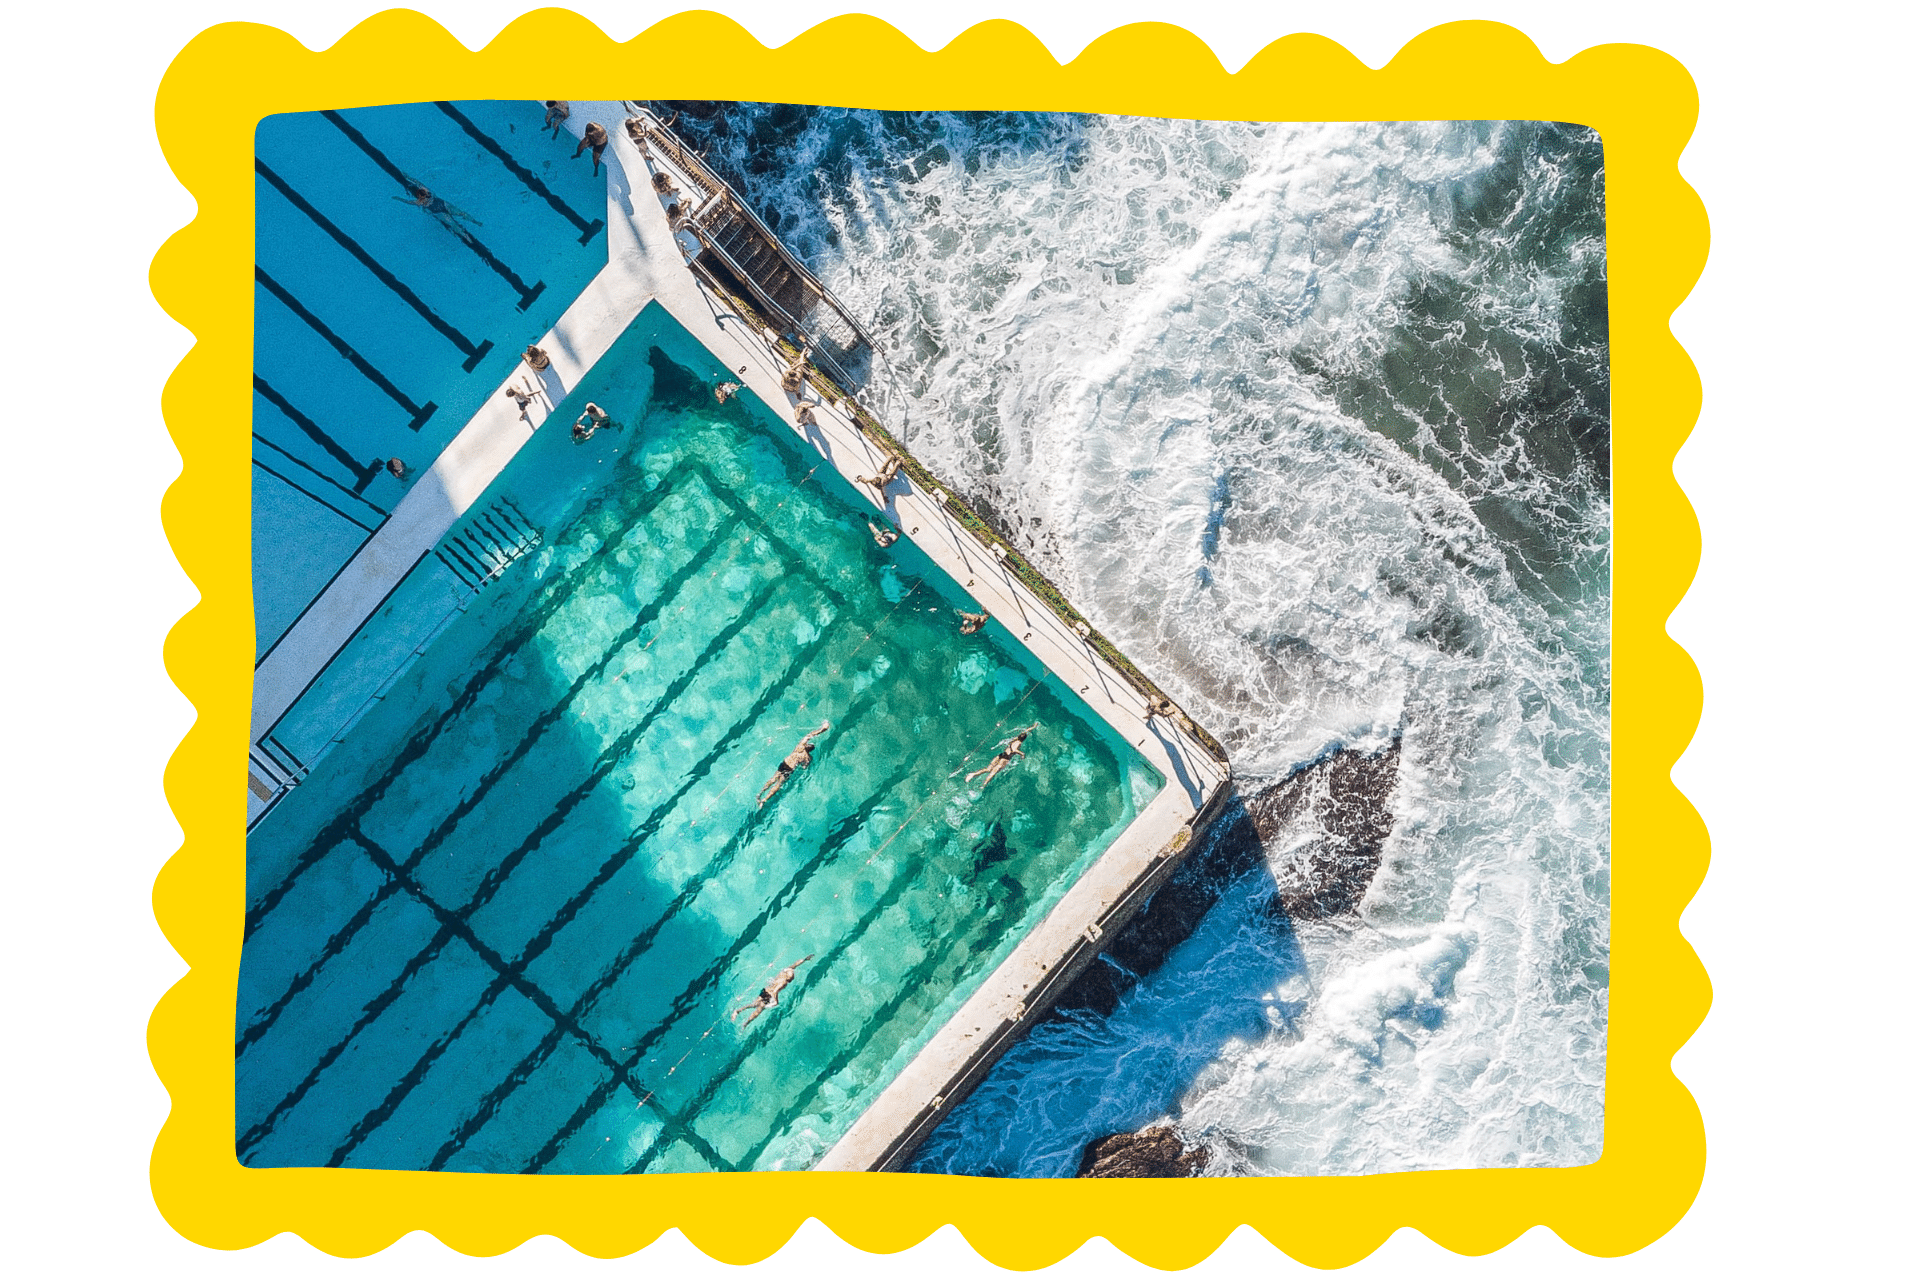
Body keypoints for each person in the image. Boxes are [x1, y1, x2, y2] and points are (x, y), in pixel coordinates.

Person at [757, 721, 830, 808]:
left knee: (773, 779)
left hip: (785, 762)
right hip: (789, 769)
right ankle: (764, 800)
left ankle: (760, 794)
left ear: (807, 745)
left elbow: (810, 735)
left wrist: (823, 729)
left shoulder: (801, 746)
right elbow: (804, 767)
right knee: (778, 785)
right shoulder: (808, 758)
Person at [731, 955, 815, 1026]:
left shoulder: (785, 971)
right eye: (792, 978)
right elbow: (775, 992)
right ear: (789, 979)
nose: (792, 979)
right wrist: (776, 1002)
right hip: (769, 995)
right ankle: (745, 1024)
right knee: (757, 1011)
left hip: (765, 990)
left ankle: (737, 1011)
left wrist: (804, 959)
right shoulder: (783, 982)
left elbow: (795, 964)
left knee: (754, 1004)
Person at [394, 183, 482, 245]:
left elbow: (408, 202)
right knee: (461, 213)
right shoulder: (427, 191)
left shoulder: (419, 202)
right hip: (442, 204)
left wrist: (398, 198)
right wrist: (408, 177)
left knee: (454, 225)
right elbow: (417, 182)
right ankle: (475, 222)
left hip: (438, 212)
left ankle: (467, 238)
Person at [966, 725, 1036, 788]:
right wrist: (1022, 753)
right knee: (992, 773)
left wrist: (1033, 726)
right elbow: (1014, 749)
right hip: (1005, 759)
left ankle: (973, 774)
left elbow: (1026, 731)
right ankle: (983, 786)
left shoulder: (1016, 738)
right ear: (1024, 739)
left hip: (1001, 755)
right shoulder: (1019, 743)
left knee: (988, 769)